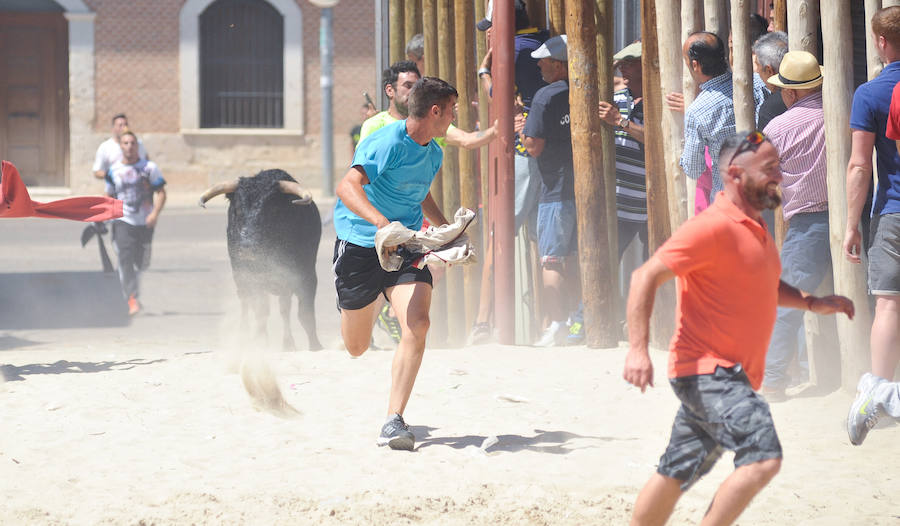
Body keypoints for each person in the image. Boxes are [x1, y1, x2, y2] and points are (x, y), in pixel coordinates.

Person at [624, 130, 854, 526]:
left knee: (675, 472)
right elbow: (645, 276)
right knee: (763, 457)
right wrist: (638, 349)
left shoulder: (756, 227)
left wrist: (811, 302)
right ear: (734, 175)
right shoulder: (711, 227)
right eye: (769, 169)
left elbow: (762, 286)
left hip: (726, 375)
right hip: (709, 373)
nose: (779, 176)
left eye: (778, 167)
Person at [333, 77, 457, 451]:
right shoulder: (386, 142)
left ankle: (393, 419)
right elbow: (346, 187)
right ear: (435, 111)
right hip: (361, 244)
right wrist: (381, 224)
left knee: (417, 324)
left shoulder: (433, 152)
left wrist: (448, 230)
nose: (453, 117)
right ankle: (371, 304)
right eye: (451, 110)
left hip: (406, 246)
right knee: (356, 347)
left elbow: (420, 195)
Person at [469, 0, 549, 344]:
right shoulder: (540, 42)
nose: (488, 40)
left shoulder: (512, 52)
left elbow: (496, 97)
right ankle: (548, 322)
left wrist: (485, 72)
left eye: (491, 31)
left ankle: (484, 321)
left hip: (521, 154)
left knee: (497, 236)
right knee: (542, 240)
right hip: (546, 155)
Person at [844, 6, 900, 446]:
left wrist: (851, 224)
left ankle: (877, 393)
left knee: (888, 306)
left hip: (894, 212)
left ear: (881, 42)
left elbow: (860, 166)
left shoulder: (872, 93)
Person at [760, 51, 829, 401]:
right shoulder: (838, 111)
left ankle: (773, 380)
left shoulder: (778, 128)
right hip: (856, 217)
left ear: (790, 93)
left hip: (806, 224)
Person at [522, 35, 578, 347]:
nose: (540, 66)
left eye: (544, 62)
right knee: (572, 259)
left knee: (551, 260)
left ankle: (557, 323)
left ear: (558, 64)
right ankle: (575, 322)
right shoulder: (580, 91)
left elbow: (533, 146)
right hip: (580, 188)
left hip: (555, 189)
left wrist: (522, 132)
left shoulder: (545, 96)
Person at [680, 32, 769, 203]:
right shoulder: (758, 83)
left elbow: (693, 169)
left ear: (695, 65)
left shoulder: (697, 111)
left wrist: (683, 159)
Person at [360, 61, 498, 149]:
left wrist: (496, 130)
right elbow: (360, 172)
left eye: (416, 87)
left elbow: (466, 140)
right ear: (390, 90)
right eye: (408, 86)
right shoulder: (375, 125)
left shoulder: (428, 123)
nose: (413, 92)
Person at [105, 130, 166, 316]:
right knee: (125, 258)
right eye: (125, 143)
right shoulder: (113, 170)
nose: (129, 146)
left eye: (132, 143)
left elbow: (161, 192)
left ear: (137, 146)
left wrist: (155, 214)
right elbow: (109, 195)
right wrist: (104, 215)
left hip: (144, 221)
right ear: (121, 146)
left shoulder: (149, 168)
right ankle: (132, 298)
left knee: (142, 263)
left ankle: (134, 293)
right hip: (123, 219)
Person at [752, 31, 789, 132]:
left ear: (769, 70)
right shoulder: (811, 92)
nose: (756, 70)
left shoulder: (770, 110)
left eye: (757, 65)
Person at [93, 113, 148, 180]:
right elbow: (97, 171)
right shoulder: (105, 147)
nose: (124, 128)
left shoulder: (137, 144)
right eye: (120, 125)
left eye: (126, 125)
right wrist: (111, 175)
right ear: (113, 128)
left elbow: (147, 163)